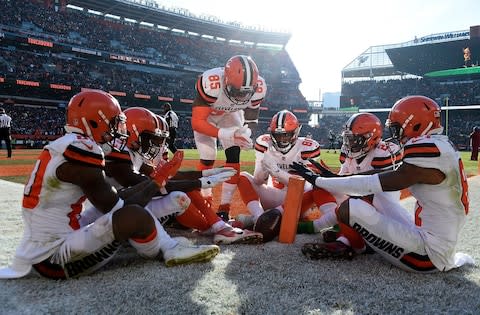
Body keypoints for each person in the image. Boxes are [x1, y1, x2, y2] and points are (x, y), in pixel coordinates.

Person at [0, 90, 220, 280]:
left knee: (125, 208)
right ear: (94, 121)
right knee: (135, 215)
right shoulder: (83, 148)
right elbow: (118, 206)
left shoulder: (66, 145)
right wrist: (158, 181)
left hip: (50, 238)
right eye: (113, 123)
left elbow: (115, 199)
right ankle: (168, 249)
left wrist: (158, 180)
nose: (116, 131)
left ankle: (165, 243)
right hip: (52, 257)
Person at [292, 95, 474, 272]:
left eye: (397, 128)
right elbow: (386, 174)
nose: (395, 134)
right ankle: (361, 239)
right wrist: (334, 179)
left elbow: (379, 182)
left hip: (428, 256)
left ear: (416, 124)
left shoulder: (425, 148)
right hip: (434, 238)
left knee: (350, 208)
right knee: (377, 199)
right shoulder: (440, 145)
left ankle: (360, 246)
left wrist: (320, 181)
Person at [83, 107, 262, 245]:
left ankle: (216, 225)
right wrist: (200, 182)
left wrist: (206, 173)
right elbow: (154, 185)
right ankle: (216, 226)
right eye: (155, 139)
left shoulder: (133, 153)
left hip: (124, 209)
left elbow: (168, 178)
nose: (159, 146)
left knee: (178, 189)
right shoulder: (119, 156)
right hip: (105, 217)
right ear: (135, 134)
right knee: (178, 196)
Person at [304, 112, 404, 240]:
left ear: (371, 137)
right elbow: (343, 178)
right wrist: (327, 178)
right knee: (320, 187)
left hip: (377, 206)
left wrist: (336, 181)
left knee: (356, 202)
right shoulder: (348, 152)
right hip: (354, 199)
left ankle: (334, 232)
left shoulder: (385, 152)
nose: (349, 144)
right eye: (347, 139)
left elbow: (380, 193)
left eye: (354, 140)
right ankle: (337, 225)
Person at [235, 110, 338, 234]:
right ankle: (258, 216)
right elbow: (258, 180)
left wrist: (277, 172)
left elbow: (306, 186)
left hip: (298, 200)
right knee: (243, 177)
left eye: (286, 135)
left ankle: (334, 222)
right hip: (271, 195)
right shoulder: (264, 143)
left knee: (318, 186)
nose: (282, 140)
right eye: (278, 136)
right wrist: (263, 165)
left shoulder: (308, 146)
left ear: (295, 133)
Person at [191, 55, 267, 221]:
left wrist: (246, 133)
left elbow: (252, 120)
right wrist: (225, 134)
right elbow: (197, 122)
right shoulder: (212, 83)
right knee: (208, 156)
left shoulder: (259, 87)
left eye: (246, 93)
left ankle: (225, 207)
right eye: (237, 91)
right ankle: (206, 198)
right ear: (225, 80)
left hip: (230, 115)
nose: (241, 97)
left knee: (234, 156)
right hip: (208, 117)